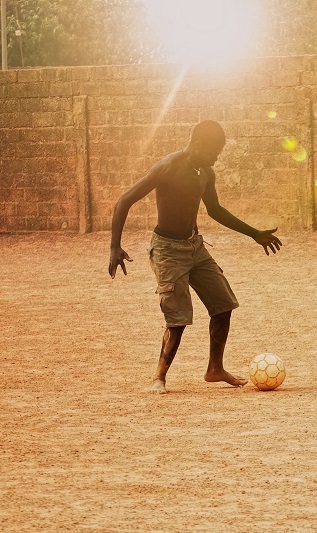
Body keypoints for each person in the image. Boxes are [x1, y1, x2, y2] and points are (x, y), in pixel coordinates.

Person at [108, 120, 283, 394]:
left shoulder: (205, 172)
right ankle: (159, 377)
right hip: (167, 250)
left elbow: (215, 210)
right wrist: (114, 247)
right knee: (177, 318)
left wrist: (254, 233)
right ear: (199, 144)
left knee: (223, 304)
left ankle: (215, 369)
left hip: (195, 247)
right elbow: (124, 201)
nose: (217, 157)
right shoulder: (168, 166)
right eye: (215, 151)